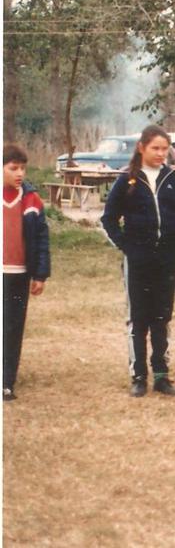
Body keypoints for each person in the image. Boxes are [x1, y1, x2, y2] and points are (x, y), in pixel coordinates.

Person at [101, 125, 175, 397]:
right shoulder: (127, 181)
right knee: (138, 318)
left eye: (165, 149)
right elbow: (108, 219)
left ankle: (161, 375)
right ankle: (139, 374)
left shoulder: (174, 181)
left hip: (166, 261)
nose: (160, 154)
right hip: (138, 261)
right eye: (155, 148)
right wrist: (127, 246)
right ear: (141, 148)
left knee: (161, 317)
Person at [3, 144, 50, 401]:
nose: (19, 173)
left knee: (12, 328)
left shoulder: (32, 200)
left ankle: (7, 380)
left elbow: (42, 240)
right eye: (13, 168)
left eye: (23, 168)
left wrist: (40, 275)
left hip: (19, 274)